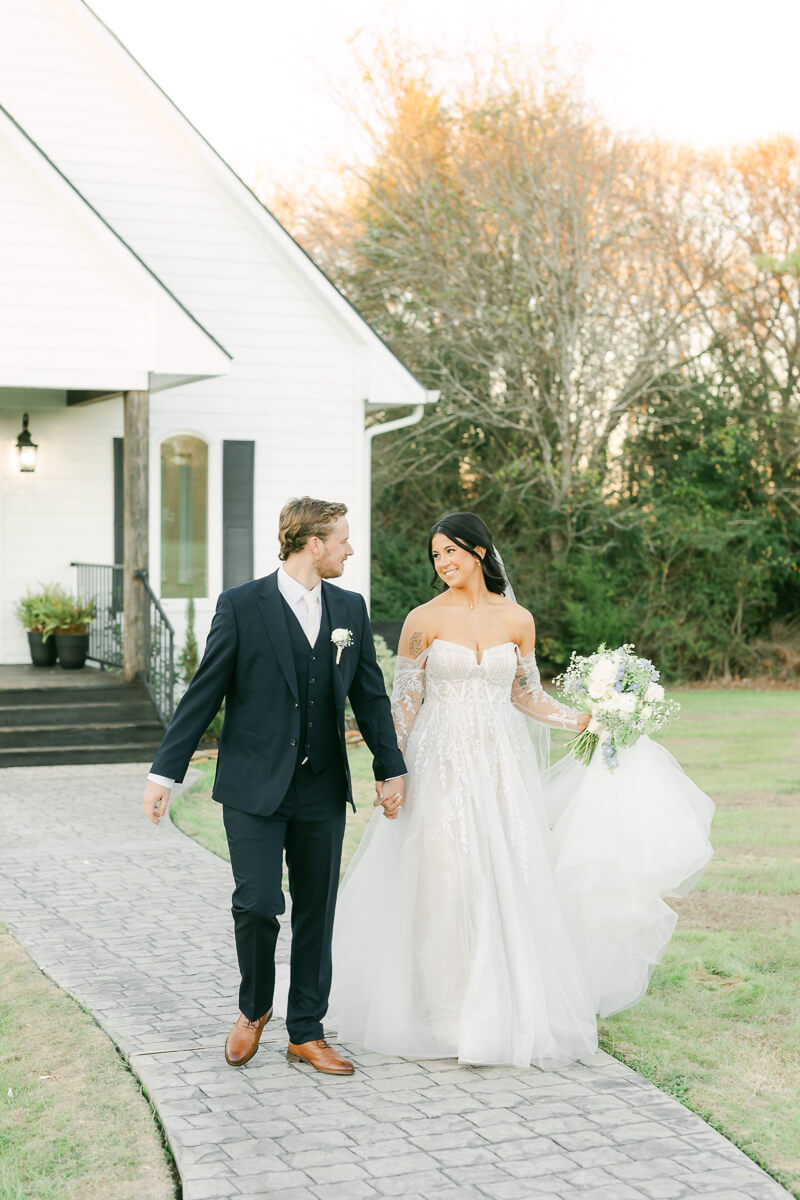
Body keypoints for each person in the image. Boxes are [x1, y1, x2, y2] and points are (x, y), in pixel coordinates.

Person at [328, 511, 714, 1068]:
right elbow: (404, 704)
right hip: (440, 764)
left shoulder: (518, 619)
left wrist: (586, 718)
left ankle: (501, 1008)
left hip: (501, 766)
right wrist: (393, 772)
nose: (442, 564)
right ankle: (446, 1011)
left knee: (502, 878)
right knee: (445, 882)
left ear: (479, 552)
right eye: (435, 556)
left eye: (451, 552)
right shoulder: (421, 620)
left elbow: (527, 695)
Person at [142, 497, 406, 1076]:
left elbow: (371, 698)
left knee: (317, 909)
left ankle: (306, 1032)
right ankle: (254, 1008)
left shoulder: (349, 608)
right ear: (313, 544)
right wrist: (166, 772)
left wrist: (390, 769)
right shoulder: (241, 605)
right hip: (253, 787)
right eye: (342, 540)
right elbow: (204, 691)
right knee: (259, 904)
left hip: (321, 787)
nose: (350, 550)